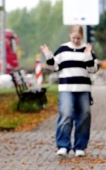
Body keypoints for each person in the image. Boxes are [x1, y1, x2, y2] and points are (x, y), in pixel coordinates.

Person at [40, 25, 97, 157]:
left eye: (78, 38)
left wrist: (88, 56)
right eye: (74, 37)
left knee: (84, 116)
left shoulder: (86, 49)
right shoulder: (63, 49)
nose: (76, 40)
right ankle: (63, 145)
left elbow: (93, 69)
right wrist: (48, 55)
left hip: (83, 88)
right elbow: (54, 67)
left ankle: (80, 146)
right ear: (70, 35)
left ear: (82, 37)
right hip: (66, 88)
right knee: (66, 114)